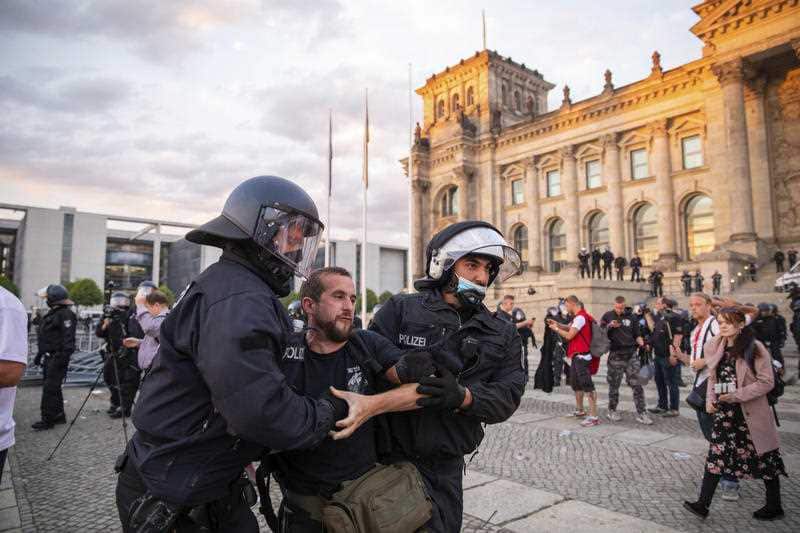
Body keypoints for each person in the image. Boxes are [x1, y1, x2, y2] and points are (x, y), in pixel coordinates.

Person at [116, 176, 375, 532]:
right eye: (291, 238)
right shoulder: (242, 299)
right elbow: (263, 414)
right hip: (175, 492)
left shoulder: (230, 283)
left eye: (302, 241)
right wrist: (333, 409)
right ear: (260, 232)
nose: (296, 251)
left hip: (191, 479)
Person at [369, 220, 526, 533]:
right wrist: (396, 367)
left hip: (444, 469)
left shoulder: (502, 334)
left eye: (488, 269)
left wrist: (464, 397)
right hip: (384, 462)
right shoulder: (401, 309)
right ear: (443, 264)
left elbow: (508, 396)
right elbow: (366, 357)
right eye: (472, 265)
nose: (482, 277)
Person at [273, 267, 429, 531]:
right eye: (338, 296)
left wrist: (371, 405)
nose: (348, 307)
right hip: (302, 506)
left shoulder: (366, 344)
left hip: (360, 501)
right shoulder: (286, 351)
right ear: (309, 305)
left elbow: (420, 389)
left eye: (353, 299)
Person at [683, 307, 786, 520]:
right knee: (716, 456)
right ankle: (703, 504)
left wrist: (736, 395)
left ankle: (774, 505)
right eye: (720, 322)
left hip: (750, 412)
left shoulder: (754, 348)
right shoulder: (716, 346)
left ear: (740, 324)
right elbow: (713, 377)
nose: (723, 326)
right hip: (725, 413)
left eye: (729, 322)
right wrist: (711, 399)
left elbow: (767, 382)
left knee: (765, 458)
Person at [673, 293, 740, 500]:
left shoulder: (715, 324)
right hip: (701, 383)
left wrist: (705, 361)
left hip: (716, 385)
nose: (694, 308)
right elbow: (695, 361)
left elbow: (727, 348)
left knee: (718, 432)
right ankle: (722, 472)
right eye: (691, 305)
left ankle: (730, 480)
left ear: (709, 306)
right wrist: (682, 356)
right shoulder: (696, 330)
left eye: (698, 304)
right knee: (710, 432)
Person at [548, 295, 599, 427]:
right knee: (576, 384)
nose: (566, 308)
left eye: (566, 305)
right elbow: (568, 327)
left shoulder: (581, 317)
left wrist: (556, 329)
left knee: (588, 386)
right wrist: (557, 323)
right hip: (576, 356)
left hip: (582, 357)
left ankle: (593, 416)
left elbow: (570, 335)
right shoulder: (578, 318)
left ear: (572, 304)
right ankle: (580, 410)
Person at [31, 284, 76, 430]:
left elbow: (68, 341)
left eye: (47, 298)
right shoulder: (53, 313)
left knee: (49, 389)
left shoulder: (65, 314)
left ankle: (47, 419)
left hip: (57, 358)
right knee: (54, 388)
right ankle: (58, 415)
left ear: (53, 299)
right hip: (49, 357)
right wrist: (39, 355)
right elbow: (46, 337)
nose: (46, 300)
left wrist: (60, 359)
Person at [600, 296, 650, 424]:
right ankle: (612, 410)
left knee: (637, 384)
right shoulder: (607, 316)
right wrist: (610, 326)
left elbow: (637, 334)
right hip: (616, 355)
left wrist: (642, 344)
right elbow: (600, 333)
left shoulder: (632, 317)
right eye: (617, 307)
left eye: (621, 307)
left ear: (625, 305)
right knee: (614, 385)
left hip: (631, 355)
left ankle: (642, 412)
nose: (619, 310)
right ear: (614, 305)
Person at [96, 291, 143, 419]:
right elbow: (99, 332)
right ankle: (115, 402)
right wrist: (105, 323)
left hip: (127, 353)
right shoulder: (109, 315)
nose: (119, 304)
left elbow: (134, 332)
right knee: (109, 378)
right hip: (112, 352)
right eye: (116, 301)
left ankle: (125, 407)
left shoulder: (131, 315)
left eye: (121, 301)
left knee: (127, 382)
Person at [0, 286, 27, 480]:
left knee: (53, 390)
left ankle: (54, 416)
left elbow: (10, 372)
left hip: (58, 359)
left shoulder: (6, 305)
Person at [646, 297, 685, 417]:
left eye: (658, 303)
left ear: (664, 305)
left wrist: (674, 354)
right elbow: (654, 331)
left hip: (668, 355)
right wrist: (647, 316)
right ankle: (662, 405)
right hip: (658, 354)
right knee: (660, 381)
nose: (656, 305)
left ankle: (674, 408)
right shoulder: (660, 316)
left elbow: (678, 336)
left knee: (671, 382)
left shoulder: (675, 317)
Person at [126, 289, 169, 375]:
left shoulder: (165, 318)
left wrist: (141, 306)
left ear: (156, 305)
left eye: (148, 308)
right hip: (153, 372)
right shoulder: (160, 320)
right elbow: (158, 343)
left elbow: (150, 328)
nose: (147, 312)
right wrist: (139, 343)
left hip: (158, 373)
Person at [496, 295, 534, 380]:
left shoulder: (509, 315)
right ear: (505, 303)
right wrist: (525, 322)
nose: (513, 305)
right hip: (505, 344)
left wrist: (527, 325)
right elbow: (511, 327)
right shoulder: (500, 315)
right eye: (511, 303)